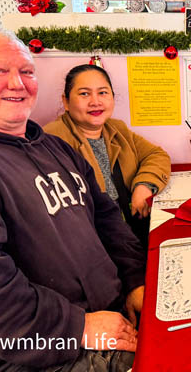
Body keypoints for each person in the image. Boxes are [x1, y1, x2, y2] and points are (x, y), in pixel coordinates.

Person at [0, 25, 146, 372]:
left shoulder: (53, 147)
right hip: (28, 353)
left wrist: (134, 281)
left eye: (26, 71)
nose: (17, 83)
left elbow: (106, 218)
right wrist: (79, 327)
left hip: (104, 317)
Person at [44, 64, 171, 248]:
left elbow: (156, 155)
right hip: (93, 245)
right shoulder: (51, 140)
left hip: (131, 231)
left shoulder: (116, 129)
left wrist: (143, 185)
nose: (95, 102)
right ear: (66, 101)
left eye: (103, 92)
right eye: (84, 94)